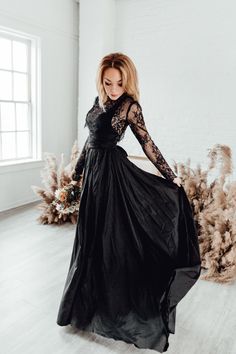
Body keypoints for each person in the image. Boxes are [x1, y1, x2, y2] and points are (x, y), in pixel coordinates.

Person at [56, 52, 201, 353]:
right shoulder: (98, 102)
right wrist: (76, 172)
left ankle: (117, 306)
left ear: (127, 82)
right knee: (89, 241)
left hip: (112, 176)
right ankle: (84, 304)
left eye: (119, 83)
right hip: (93, 176)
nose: (112, 89)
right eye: (108, 82)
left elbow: (147, 142)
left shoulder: (129, 107)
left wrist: (170, 176)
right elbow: (89, 141)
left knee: (112, 242)